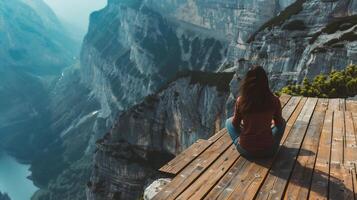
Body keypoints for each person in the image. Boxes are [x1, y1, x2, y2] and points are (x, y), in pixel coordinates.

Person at [226, 66, 286, 158]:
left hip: (246, 150)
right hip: (269, 151)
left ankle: (245, 137)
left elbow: (235, 124)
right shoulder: (274, 100)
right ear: (265, 81)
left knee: (228, 122)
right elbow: (279, 123)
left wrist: (246, 128)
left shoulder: (241, 100)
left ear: (247, 81)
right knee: (283, 123)